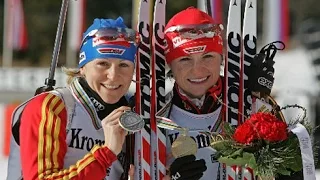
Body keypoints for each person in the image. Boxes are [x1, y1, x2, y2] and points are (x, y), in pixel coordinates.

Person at [159, 7, 298, 180]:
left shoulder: (255, 109)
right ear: (170, 65)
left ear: (221, 58)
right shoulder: (155, 116)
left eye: (207, 56)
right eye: (185, 59)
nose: (197, 70)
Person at [17, 17, 139, 179]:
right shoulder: (52, 106)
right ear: (83, 67)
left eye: (124, 65)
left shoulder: (135, 116)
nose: (113, 75)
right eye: (103, 64)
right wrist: (106, 153)